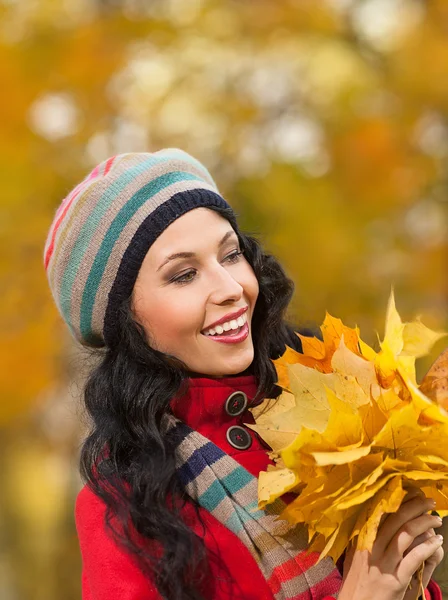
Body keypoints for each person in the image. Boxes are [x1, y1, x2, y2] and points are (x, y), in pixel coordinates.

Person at [44, 149, 444, 600]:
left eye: (231, 255)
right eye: (184, 275)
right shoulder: (123, 503)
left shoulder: (341, 408)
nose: (231, 288)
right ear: (125, 321)